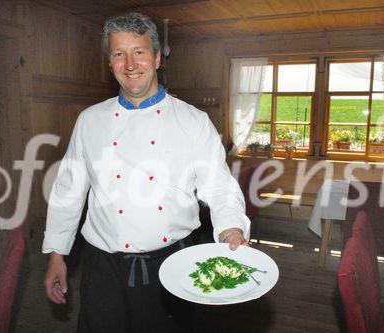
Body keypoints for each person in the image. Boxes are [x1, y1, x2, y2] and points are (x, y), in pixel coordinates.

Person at [42, 11, 251, 333]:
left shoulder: (193, 121)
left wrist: (231, 230)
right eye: (118, 54)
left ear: (156, 58)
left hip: (171, 262)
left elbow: (220, 188)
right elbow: (69, 190)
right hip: (102, 266)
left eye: (138, 52)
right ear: (110, 63)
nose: (129, 64)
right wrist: (57, 253)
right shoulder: (89, 120)